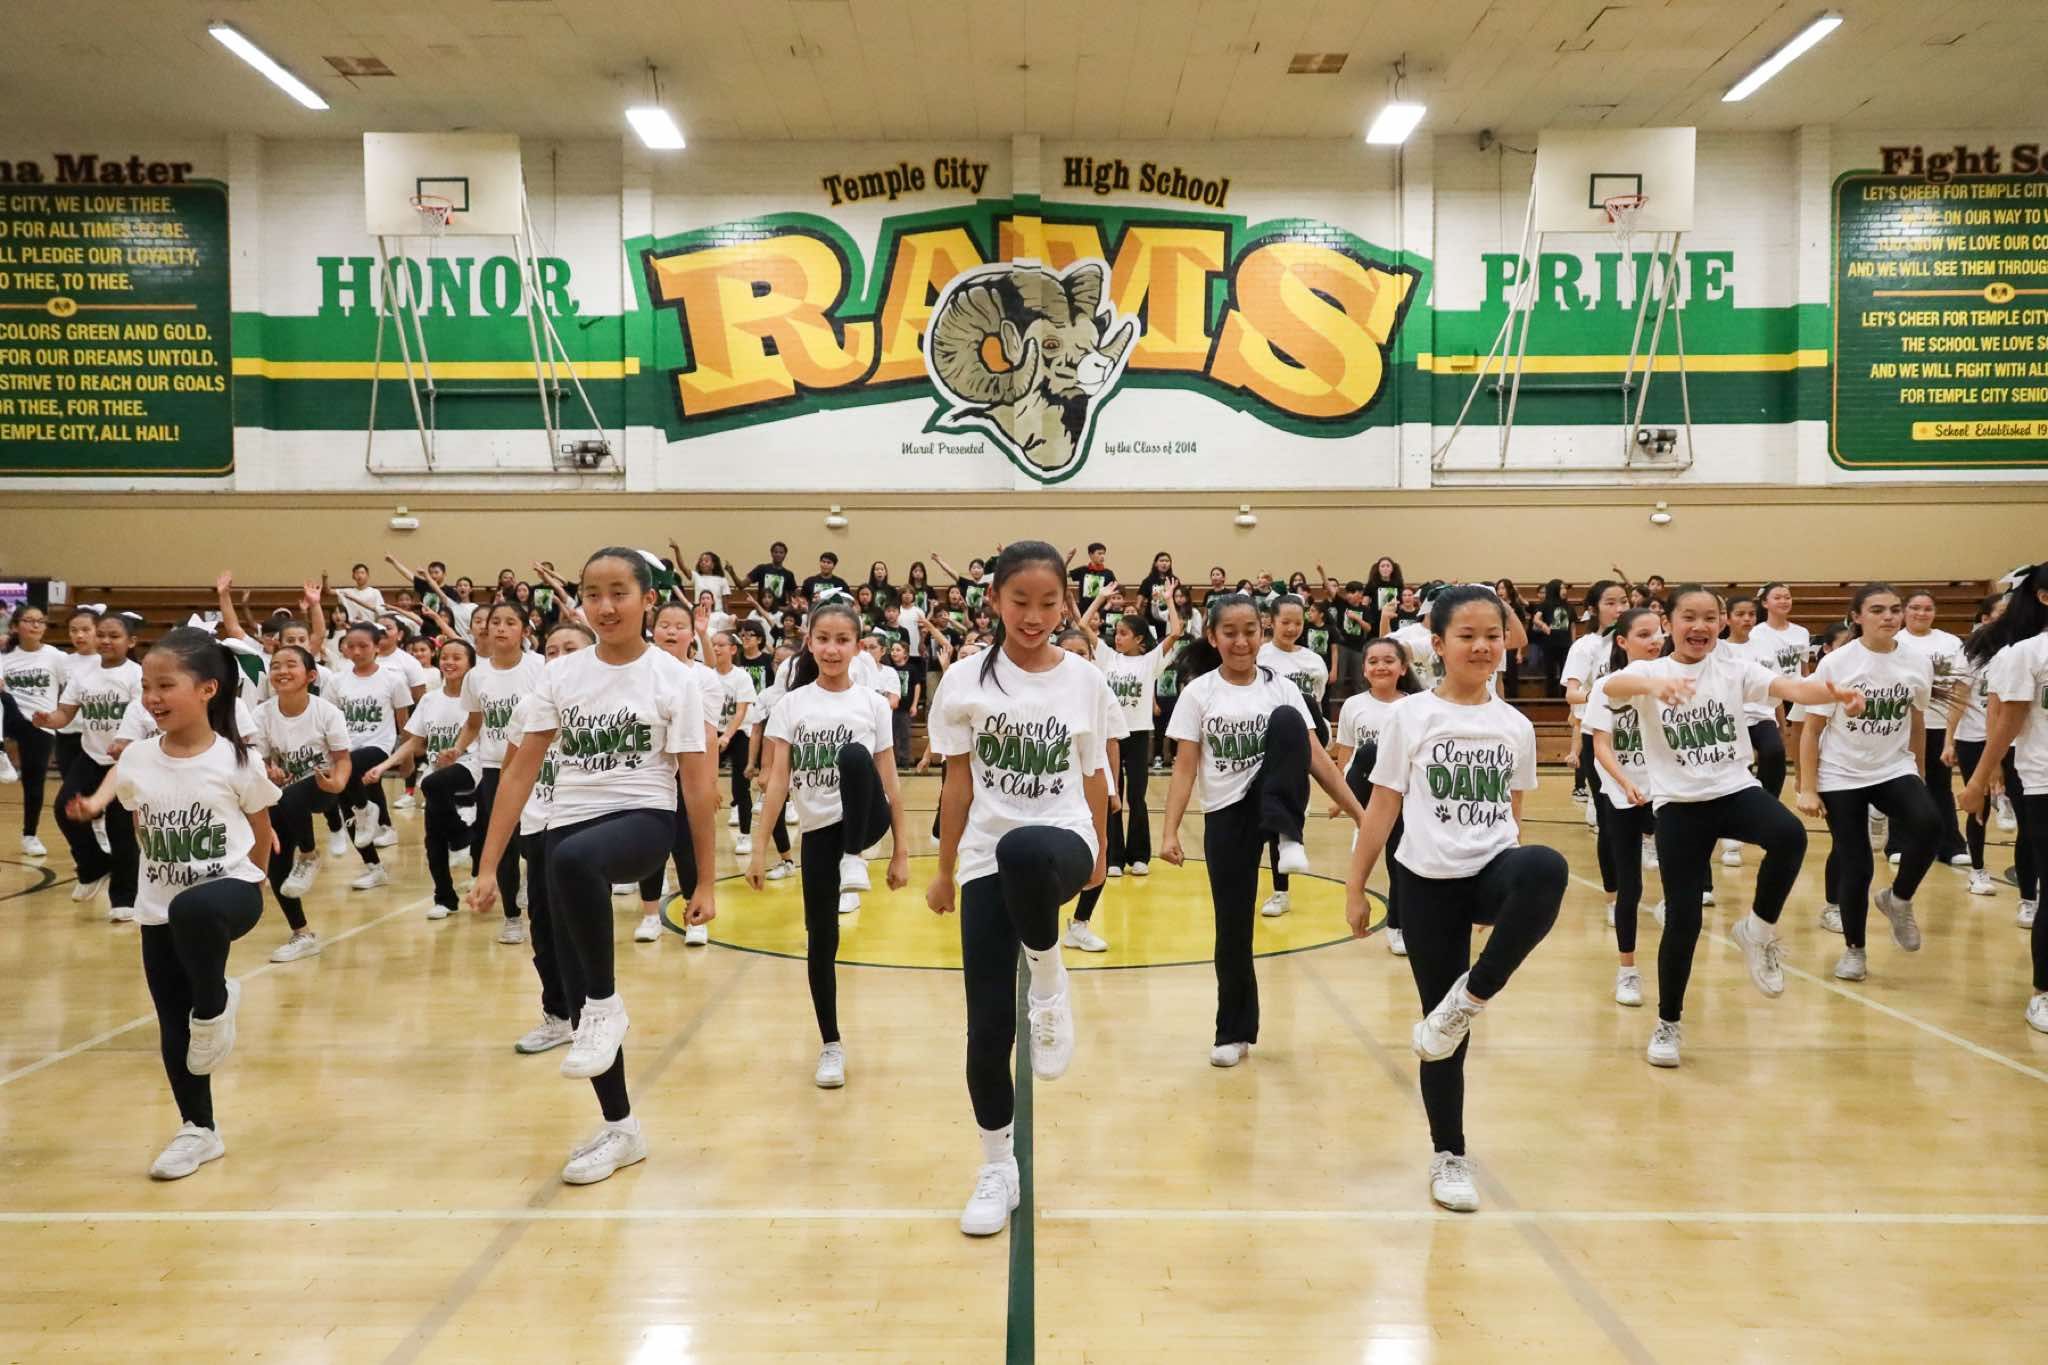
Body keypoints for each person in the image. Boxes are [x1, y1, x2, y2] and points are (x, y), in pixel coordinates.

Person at [468, 548, 717, 1185]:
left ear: (647, 600)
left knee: (578, 886)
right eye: (592, 594)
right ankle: (621, 1128)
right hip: (568, 829)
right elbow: (519, 771)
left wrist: (705, 881)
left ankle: (605, 1006)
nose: (605, 607)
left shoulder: (674, 678)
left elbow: (697, 784)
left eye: (619, 593)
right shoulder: (561, 676)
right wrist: (489, 866)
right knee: (575, 979)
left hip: (642, 820)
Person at [1343, 585, 1563, 1214]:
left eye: (1492, 635)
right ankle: (1449, 1155)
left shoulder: (1515, 725)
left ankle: (1471, 997)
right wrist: (1357, 888)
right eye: (1467, 636)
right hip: (1426, 885)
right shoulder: (1409, 718)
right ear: (1437, 645)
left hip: (1490, 869)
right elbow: (1382, 807)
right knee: (1440, 1033)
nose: (1482, 646)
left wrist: (1511, 890)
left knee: (1545, 864)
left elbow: (1513, 813)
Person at [924, 540, 1112, 1238]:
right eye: (1020, 601)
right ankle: (997, 1167)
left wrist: (1101, 854)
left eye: (1048, 603)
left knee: (1025, 848)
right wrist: (944, 868)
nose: (1034, 616)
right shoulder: (963, 680)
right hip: (984, 855)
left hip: (1061, 839)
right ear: (995, 600)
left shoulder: (1085, 679)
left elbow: (1096, 772)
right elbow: (957, 783)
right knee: (987, 1028)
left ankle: (1049, 976)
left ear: (1065, 603)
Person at [1602, 585, 1863, 1067]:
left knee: (1789, 835)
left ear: (1721, 623)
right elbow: (1611, 688)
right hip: (1679, 806)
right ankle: (1668, 1023)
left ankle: (1758, 929)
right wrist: (1652, 688)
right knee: (1683, 920)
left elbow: (1793, 689)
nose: (1699, 626)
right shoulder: (1649, 671)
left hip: (1733, 789)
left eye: (1709, 617)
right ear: (1669, 624)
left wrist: (1834, 692)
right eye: (1688, 617)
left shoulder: (1734, 667)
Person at [67, 628, 280, 1180]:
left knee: (194, 912)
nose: (152, 697)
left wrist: (256, 883)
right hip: (159, 905)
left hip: (232, 892)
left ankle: (215, 1002)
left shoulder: (236, 760)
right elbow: (141, 818)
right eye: (146, 686)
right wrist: (96, 805)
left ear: (208, 689)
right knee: (171, 1021)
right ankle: (198, 1131)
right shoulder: (138, 757)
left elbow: (262, 828)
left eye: (166, 685)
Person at [1162, 591, 1365, 1067]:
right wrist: (1170, 832)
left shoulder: (1282, 687)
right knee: (1232, 929)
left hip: (1273, 798)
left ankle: (1288, 835)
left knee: (1291, 720)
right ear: (1212, 637)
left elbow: (1317, 759)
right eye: (1229, 633)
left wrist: (1360, 813)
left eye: (1250, 631)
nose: (1241, 641)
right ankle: (1232, 1032)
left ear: (1263, 631)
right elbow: (1185, 767)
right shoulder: (1199, 693)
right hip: (1226, 814)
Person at [748, 599, 911, 1087]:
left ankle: (854, 858)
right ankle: (830, 1044)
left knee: (856, 756)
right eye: (823, 639)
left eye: (842, 640)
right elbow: (779, 781)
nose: (832, 649)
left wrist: (901, 852)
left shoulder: (872, 703)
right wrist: (759, 848)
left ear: (858, 647)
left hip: (866, 821)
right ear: (809, 643)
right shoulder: (791, 705)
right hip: (819, 834)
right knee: (821, 941)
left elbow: (890, 778)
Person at [1795, 584, 1937, 983]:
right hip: (1842, 773)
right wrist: (1809, 787)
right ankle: (1854, 950)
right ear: (1857, 617)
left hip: (1894, 767)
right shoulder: (1837, 663)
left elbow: (1916, 721)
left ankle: (1899, 899)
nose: (1889, 616)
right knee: (1856, 863)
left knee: (1930, 824)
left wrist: (1919, 775)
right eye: (1877, 610)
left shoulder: (1917, 662)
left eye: (1895, 609)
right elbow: (1811, 729)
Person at [1958, 562, 2048, 1030]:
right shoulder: (2025, 655)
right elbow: (2006, 723)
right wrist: (1979, 781)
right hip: (2044, 782)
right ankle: (2043, 993)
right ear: (2044, 598)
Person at [507, 620, 595, 1057]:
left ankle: (593, 1016)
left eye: (570, 649)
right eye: (552, 650)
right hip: (537, 828)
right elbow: (513, 773)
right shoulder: (528, 707)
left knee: (582, 930)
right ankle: (558, 1016)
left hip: (585, 828)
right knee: (543, 930)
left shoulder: (605, 705)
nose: (559, 657)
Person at [441, 602, 543, 939]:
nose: (500, 627)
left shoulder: (539, 667)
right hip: (495, 767)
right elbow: (474, 723)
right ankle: (512, 916)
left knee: (534, 840)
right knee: (505, 843)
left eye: (510, 622)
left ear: (524, 630)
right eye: (495, 621)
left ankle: (537, 900)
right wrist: (458, 748)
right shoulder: (476, 676)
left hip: (535, 765)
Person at [366, 638, 485, 921]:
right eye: (445, 657)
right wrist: (384, 766)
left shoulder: (478, 699)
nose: (449, 662)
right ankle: (445, 899)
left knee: (431, 784)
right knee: (433, 840)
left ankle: (462, 838)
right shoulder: (430, 699)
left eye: (457, 657)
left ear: (470, 664)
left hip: (470, 767)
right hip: (437, 776)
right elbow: (415, 742)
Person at [1583, 608, 1668, 1007]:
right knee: (1630, 886)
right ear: (1623, 641)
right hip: (1622, 792)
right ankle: (1627, 970)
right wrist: (1625, 782)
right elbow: (1600, 745)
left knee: (1683, 875)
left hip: (1666, 792)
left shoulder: (1674, 681)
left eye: (1659, 633)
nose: (1655, 640)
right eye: (1644, 634)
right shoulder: (1607, 686)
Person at [37, 611, 145, 919]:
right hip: (91, 756)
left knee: (120, 829)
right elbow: (65, 714)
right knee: (64, 808)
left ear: (131, 641)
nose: (106, 641)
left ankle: (124, 897)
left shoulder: (137, 675)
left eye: (114, 636)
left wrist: (125, 742)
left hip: (126, 760)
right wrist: (49, 719)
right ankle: (93, 866)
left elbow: (141, 717)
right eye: (102, 635)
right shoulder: (83, 674)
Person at [250, 645, 351, 962]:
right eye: (275, 665)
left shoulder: (327, 712)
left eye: (290, 664)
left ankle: (309, 853)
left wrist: (338, 784)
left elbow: (343, 759)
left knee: (292, 796)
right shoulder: (262, 714)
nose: (282, 671)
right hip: (286, 795)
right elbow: (260, 760)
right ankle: (302, 934)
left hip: (323, 786)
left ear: (310, 675)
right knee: (278, 860)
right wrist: (269, 769)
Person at [1329, 637, 1422, 956]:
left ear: (1403, 668)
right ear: (1364, 669)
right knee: (1368, 753)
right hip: (1366, 789)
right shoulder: (1354, 706)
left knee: (1398, 860)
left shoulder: (1416, 705)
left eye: (1388, 661)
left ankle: (1398, 926)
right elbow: (1346, 754)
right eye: (1373, 661)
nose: (1381, 666)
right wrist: (1340, 795)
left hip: (1402, 794)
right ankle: (1363, 822)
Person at [1253, 594, 1332, 918]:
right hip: (1265, 742)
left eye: (1298, 622)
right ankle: (1262, 887)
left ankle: (1280, 892)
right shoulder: (1259, 655)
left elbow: (1317, 704)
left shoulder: (1314, 661)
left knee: (1285, 816)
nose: (1291, 628)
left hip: (1304, 741)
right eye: (1285, 622)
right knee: (1266, 818)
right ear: (1271, 622)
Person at [320, 624, 414, 891]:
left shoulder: (393, 680)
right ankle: (374, 867)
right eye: (351, 646)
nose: (357, 651)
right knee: (344, 801)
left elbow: (404, 723)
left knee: (352, 783)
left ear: (376, 647)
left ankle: (366, 810)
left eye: (363, 646)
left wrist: (406, 757)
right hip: (345, 750)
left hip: (378, 747)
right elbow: (329, 721)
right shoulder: (337, 681)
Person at [1894, 590, 1972, 868]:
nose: (1921, 613)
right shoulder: (1895, 641)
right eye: (1915, 607)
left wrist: (1953, 731)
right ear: (1904, 611)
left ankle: (1950, 845)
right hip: (1902, 726)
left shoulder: (1950, 642)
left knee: (1940, 786)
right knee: (1903, 784)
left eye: (1927, 608)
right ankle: (1899, 843)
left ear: (1935, 612)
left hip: (1939, 724)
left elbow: (1960, 685)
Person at [1946, 594, 2009, 899]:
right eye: (2001, 612)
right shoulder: (1971, 652)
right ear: (1985, 618)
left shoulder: (2022, 648)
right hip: (1974, 737)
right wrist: (1949, 740)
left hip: (2012, 737)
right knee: (1977, 805)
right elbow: (1958, 698)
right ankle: (1978, 870)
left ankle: (2006, 800)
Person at [0, 604, 66, 858]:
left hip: (41, 724)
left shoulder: (55, 657)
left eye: (40, 621)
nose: (36, 625)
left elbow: (72, 685)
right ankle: (1, 750)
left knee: (34, 782)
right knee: (4, 698)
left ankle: (30, 835)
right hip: (10, 718)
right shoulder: (5, 656)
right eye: (29, 620)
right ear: (15, 627)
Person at [747, 541, 796, 607]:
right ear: (771, 553)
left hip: (780, 611)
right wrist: (733, 573)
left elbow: (793, 600)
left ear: (785, 555)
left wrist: (784, 609)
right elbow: (741, 585)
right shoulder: (761, 569)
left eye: (781, 552)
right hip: (761, 609)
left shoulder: (788, 574)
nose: (778, 554)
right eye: (776, 552)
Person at [1070, 542, 1116, 612]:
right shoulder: (1083, 570)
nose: (1102, 556)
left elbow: (1117, 590)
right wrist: (1068, 559)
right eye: (1099, 553)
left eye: (1104, 554)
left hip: (1100, 611)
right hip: (1083, 611)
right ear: (1091, 555)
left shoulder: (1108, 573)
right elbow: (1061, 574)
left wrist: (1108, 604)